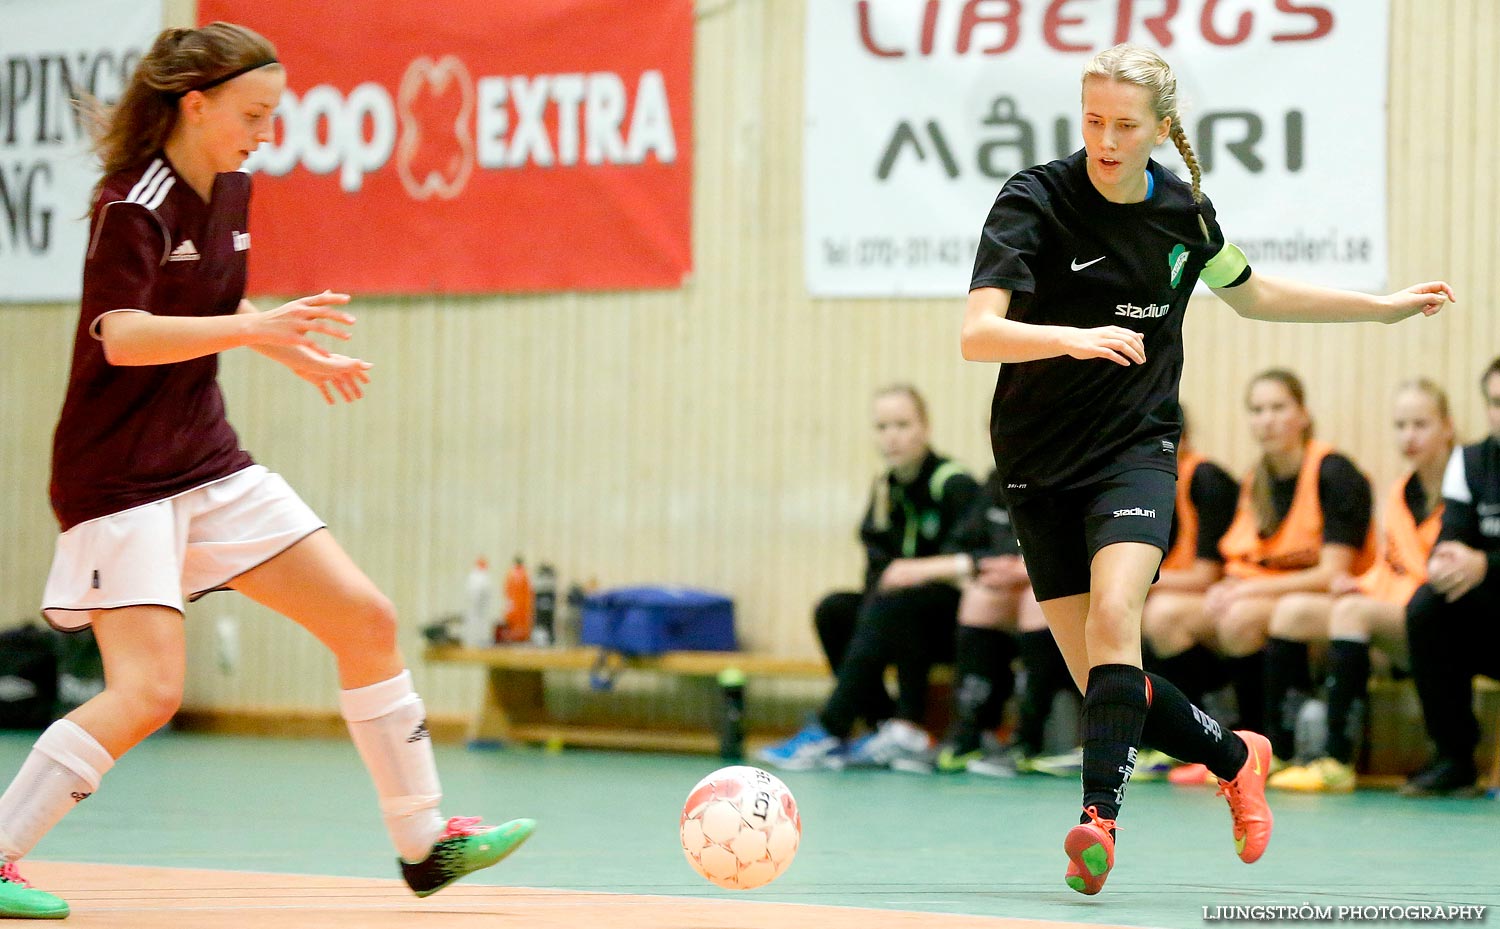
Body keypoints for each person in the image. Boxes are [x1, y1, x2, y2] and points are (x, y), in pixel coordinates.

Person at [0, 24, 534, 920]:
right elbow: (123, 334)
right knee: (149, 691)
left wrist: (284, 345)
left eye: (274, 115)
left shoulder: (233, 189)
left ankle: (422, 843)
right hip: (120, 475)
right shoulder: (133, 203)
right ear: (193, 103)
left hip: (204, 456)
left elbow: (208, 299)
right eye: (253, 114)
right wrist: (253, 331)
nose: (266, 132)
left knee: (365, 618)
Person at [960, 42, 1453, 895]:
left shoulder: (1181, 215)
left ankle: (1096, 823)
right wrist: (1072, 338)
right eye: (1093, 121)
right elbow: (977, 335)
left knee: (1120, 612)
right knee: (1110, 684)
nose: (1106, 140)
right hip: (1037, 462)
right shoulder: (1033, 201)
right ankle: (1236, 755)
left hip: (1134, 451)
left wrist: (1378, 310)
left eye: (1124, 125)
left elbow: (1254, 293)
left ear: (1160, 128)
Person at [1150, 370, 1375, 782]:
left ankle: (1268, 747)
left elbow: (1333, 572)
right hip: (1272, 595)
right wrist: (1232, 587)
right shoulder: (1258, 480)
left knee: (1245, 617)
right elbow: (1244, 560)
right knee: (1164, 616)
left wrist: (1248, 589)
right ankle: (1218, 745)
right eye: (1257, 410)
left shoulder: (1335, 472)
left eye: (1278, 408)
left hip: (1335, 602)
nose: (1266, 419)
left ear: (1303, 415)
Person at [758, 384, 981, 771]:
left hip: (955, 621)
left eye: (901, 425)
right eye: (881, 427)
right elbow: (877, 570)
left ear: (925, 429)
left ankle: (833, 726)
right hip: (900, 614)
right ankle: (880, 723)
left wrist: (918, 571)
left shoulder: (953, 484)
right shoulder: (884, 491)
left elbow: (984, 559)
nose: (890, 436)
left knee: (899, 602)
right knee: (835, 609)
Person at [1265, 380, 1453, 792]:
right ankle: (1276, 751)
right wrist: (1360, 582)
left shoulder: (1462, 488)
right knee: (1292, 611)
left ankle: (1336, 758)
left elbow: (1430, 575)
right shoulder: (1401, 491)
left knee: (1352, 613)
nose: (1409, 436)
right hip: (1395, 610)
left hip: (1439, 623)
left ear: (1447, 428)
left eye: (1420, 424)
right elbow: (1393, 567)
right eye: (1401, 425)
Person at [1402, 358, 1500, 796]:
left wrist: (1486, 564)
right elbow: (1453, 535)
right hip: (1490, 612)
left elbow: (1478, 559)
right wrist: (1446, 563)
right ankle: (1454, 758)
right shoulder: (1472, 461)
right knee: (1427, 606)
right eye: (1496, 402)